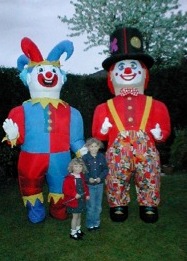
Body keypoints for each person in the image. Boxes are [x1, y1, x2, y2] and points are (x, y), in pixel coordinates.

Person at [92, 27, 171, 223]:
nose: (127, 71)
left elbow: (165, 131)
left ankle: (148, 204)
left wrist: (160, 133)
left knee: (149, 175)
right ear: (111, 76)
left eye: (133, 66)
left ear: (144, 74)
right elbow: (97, 135)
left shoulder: (157, 105)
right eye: (121, 67)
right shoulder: (103, 108)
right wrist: (102, 131)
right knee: (116, 177)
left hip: (147, 152)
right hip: (117, 153)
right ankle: (118, 203)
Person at [82, 138, 108, 231]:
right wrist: (88, 178)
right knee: (91, 206)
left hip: (99, 185)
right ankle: (90, 224)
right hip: (89, 186)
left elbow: (105, 169)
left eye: (96, 146)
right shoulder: (85, 158)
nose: (93, 148)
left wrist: (100, 177)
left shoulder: (101, 156)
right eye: (91, 146)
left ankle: (96, 223)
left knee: (98, 206)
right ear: (88, 147)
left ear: (99, 147)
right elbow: (82, 171)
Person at [63, 158, 90, 240]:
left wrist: (87, 194)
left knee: (79, 215)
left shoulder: (81, 176)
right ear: (72, 167)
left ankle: (78, 230)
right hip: (74, 201)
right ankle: (73, 232)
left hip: (81, 200)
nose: (78, 168)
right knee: (75, 217)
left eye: (80, 166)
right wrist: (74, 194)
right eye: (76, 166)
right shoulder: (69, 178)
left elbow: (85, 187)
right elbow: (66, 189)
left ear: (83, 167)